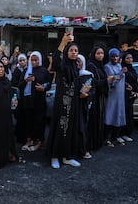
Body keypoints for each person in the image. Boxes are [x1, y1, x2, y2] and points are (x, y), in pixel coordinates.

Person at [46, 33, 82, 168]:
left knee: (70, 129)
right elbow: (55, 61)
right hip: (62, 103)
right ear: (67, 52)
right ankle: (54, 156)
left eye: (76, 51)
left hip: (73, 104)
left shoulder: (75, 67)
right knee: (60, 128)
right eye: (71, 50)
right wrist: (63, 42)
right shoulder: (62, 65)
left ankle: (67, 156)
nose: (74, 53)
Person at [18, 51, 50, 152]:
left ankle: (39, 142)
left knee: (39, 122)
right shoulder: (26, 70)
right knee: (28, 121)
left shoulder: (43, 71)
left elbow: (48, 84)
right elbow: (20, 85)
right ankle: (29, 140)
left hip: (39, 101)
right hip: (27, 101)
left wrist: (42, 87)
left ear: (39, 60)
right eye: (32, 60)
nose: (33, 62)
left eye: (36, 60)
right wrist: (26, 81)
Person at [86, 46, 113, 151]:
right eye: (98, 53)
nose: (100, 55)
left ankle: (97, 143)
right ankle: (90, 145)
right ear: (93, 54)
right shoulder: (91, 66)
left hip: (100, 97)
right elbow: (91, 82)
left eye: (102, 53)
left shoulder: (101, 66)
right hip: (94, 98)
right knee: (92, 121)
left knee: (99, 120)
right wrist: (106, 81)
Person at [104, 48, 127, 146]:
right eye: (113, 56)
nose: (115, 58)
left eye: (116, 56)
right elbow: (112, 82)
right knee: (110, 115)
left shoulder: (119, 65)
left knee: (118, 115)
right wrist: (121, 73)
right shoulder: (107, 67)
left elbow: (120, 79)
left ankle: (115, 136)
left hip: (120, 95)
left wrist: (127, 84)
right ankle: (106, 138)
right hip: (112, 95)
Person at [76, 54, 95, 159]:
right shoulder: (72, 74)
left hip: (84, 105)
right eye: (76, 61)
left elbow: (93, 90)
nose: (77, 63)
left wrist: (87, 94)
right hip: (73, 104)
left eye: (79, 61)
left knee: (83, 127)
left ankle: (84, 149)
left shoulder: (88, 75)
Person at [121, 53, 138, 142]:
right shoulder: (122, 68)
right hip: (123, 94)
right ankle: (120, 133)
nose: (129, 59)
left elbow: (135, 82)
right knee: (123, 114)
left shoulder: (132, 69)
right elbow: (120, 80)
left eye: (131, 57)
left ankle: (126, 133)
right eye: (127, 58)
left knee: (129, 114)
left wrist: (137, 92)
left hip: (131, 95)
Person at [11, 53, 27, 144]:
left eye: (23, 60)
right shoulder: (17, 71)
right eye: (20, 60)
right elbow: (14, 83)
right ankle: (19, 137)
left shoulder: (29, 69)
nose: (22, 62)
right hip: (18, 97)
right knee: (19, 117)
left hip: (26, 97)